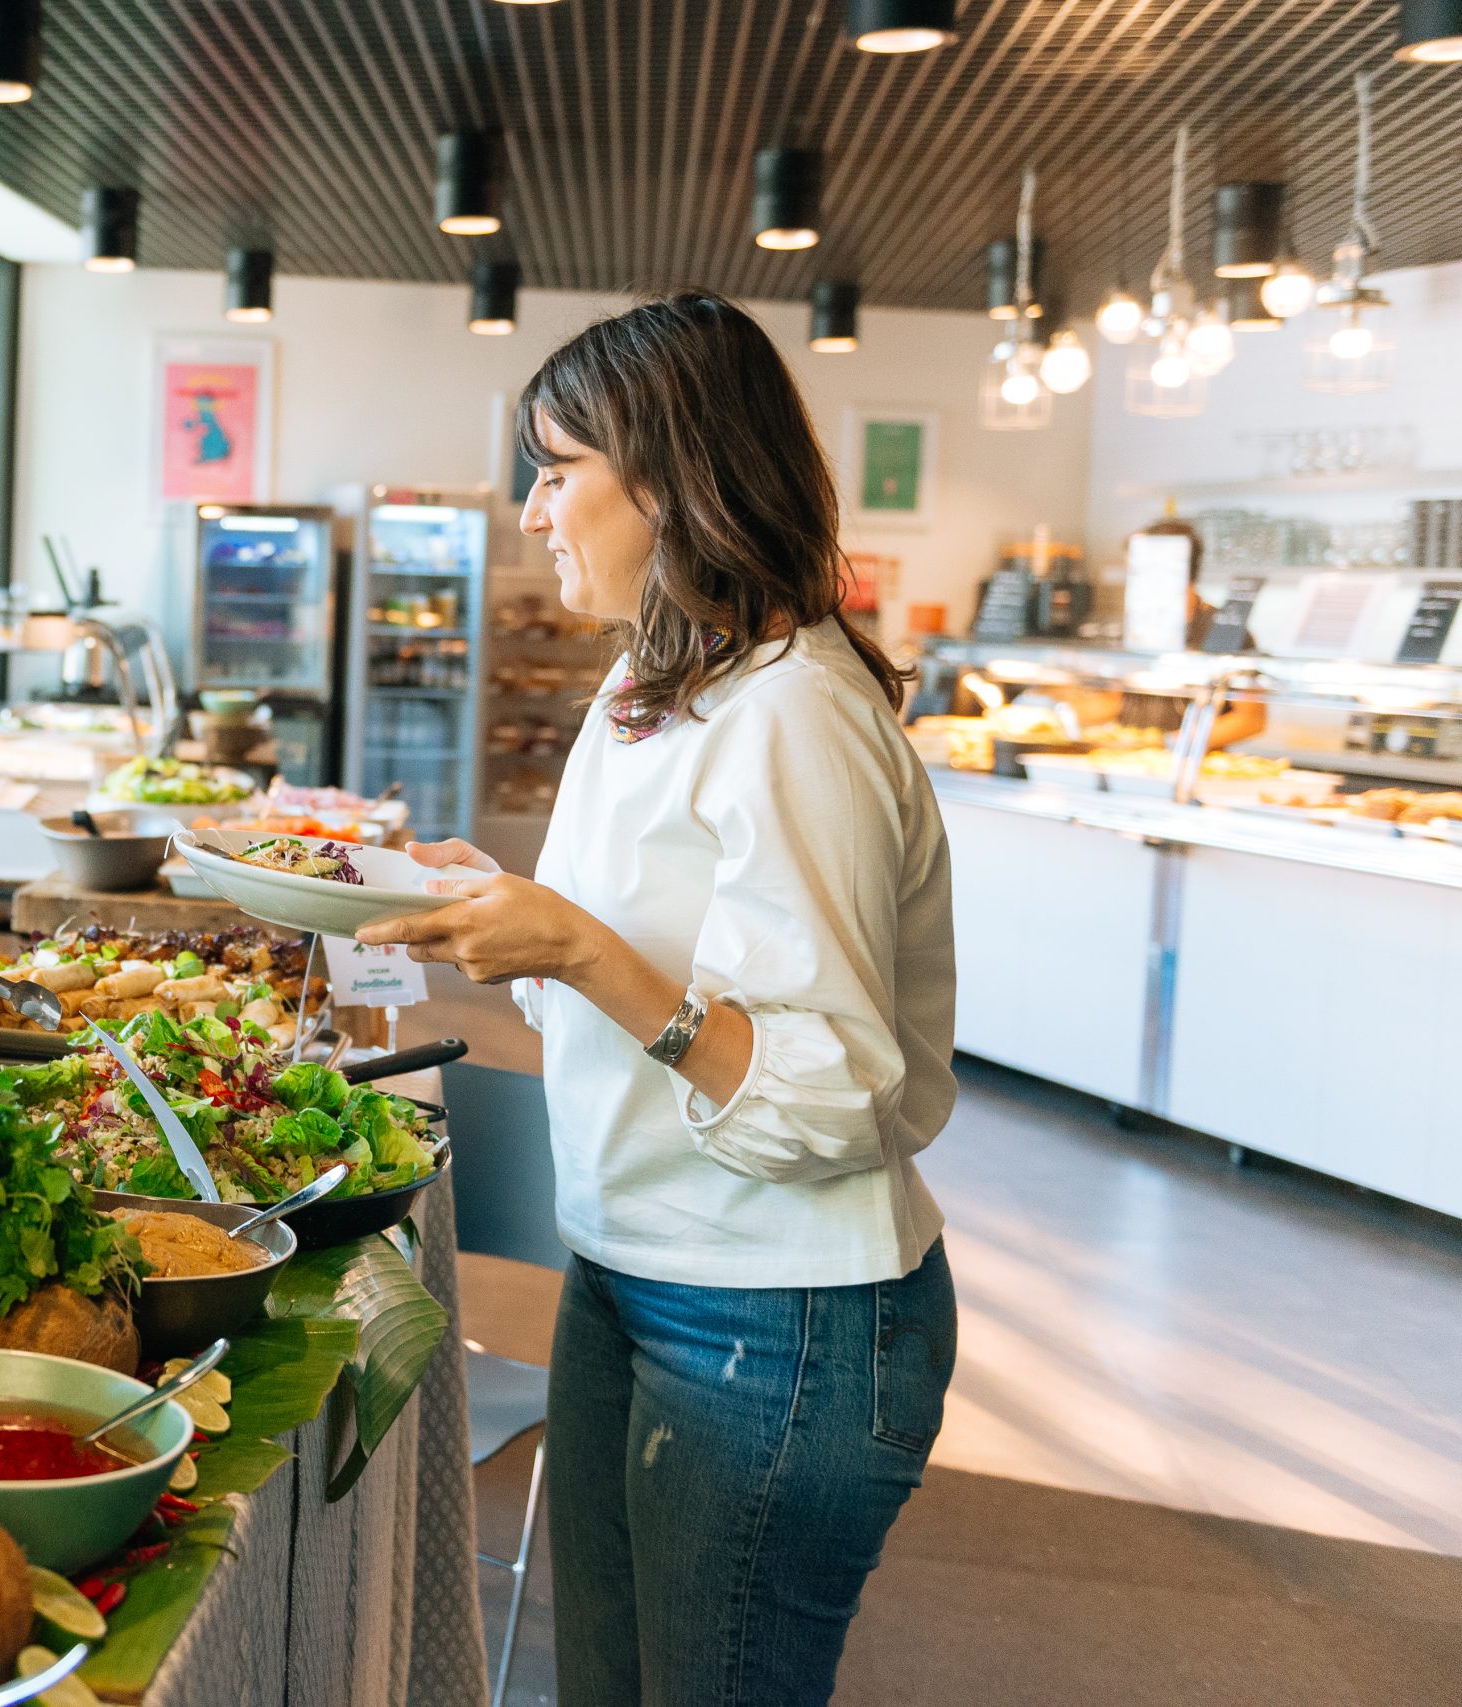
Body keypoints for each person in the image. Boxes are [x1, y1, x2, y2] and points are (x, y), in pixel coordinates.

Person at [358, 294, 958, 1706]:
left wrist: (576, 951)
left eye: (557, 468)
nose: (529, 510)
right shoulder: (652, 680)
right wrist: (488, 903)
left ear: (676, 484)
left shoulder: (794, 712)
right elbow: (643, 932)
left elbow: (836, 1089)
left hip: (778, 1314)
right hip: (638, 1262)